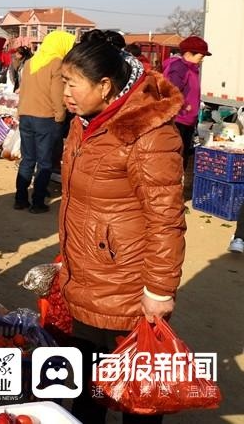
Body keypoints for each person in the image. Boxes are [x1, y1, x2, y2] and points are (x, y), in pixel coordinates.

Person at [57, 30, 185, 424]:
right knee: (89, 386)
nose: (65, 92)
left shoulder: (149, 134)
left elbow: (166, 218)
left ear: (105, 85)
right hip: (87, 272)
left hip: (127, 281)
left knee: (138, 393)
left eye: (71, 83)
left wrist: (159, 290)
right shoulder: (86, 120)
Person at [15, 30, 75, 213]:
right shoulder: (56, 63)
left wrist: (20, 112)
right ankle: (38, 202)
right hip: (45, 118)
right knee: (45, 162)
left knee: (27, 160)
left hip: (25, 116)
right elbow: (57, 93)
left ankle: (20, 199)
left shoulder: (31, 61)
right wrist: (60, 116)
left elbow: (22, 89)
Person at [162, 35, 211, 168]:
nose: (202, 60)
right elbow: (171, 91)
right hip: (178, 120)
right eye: (200, 57)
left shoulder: (192, 69)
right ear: (189, 54)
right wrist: (184, 106)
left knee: (182, 158)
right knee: (175, 159)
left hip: (188, 121)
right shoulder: (179, 68)